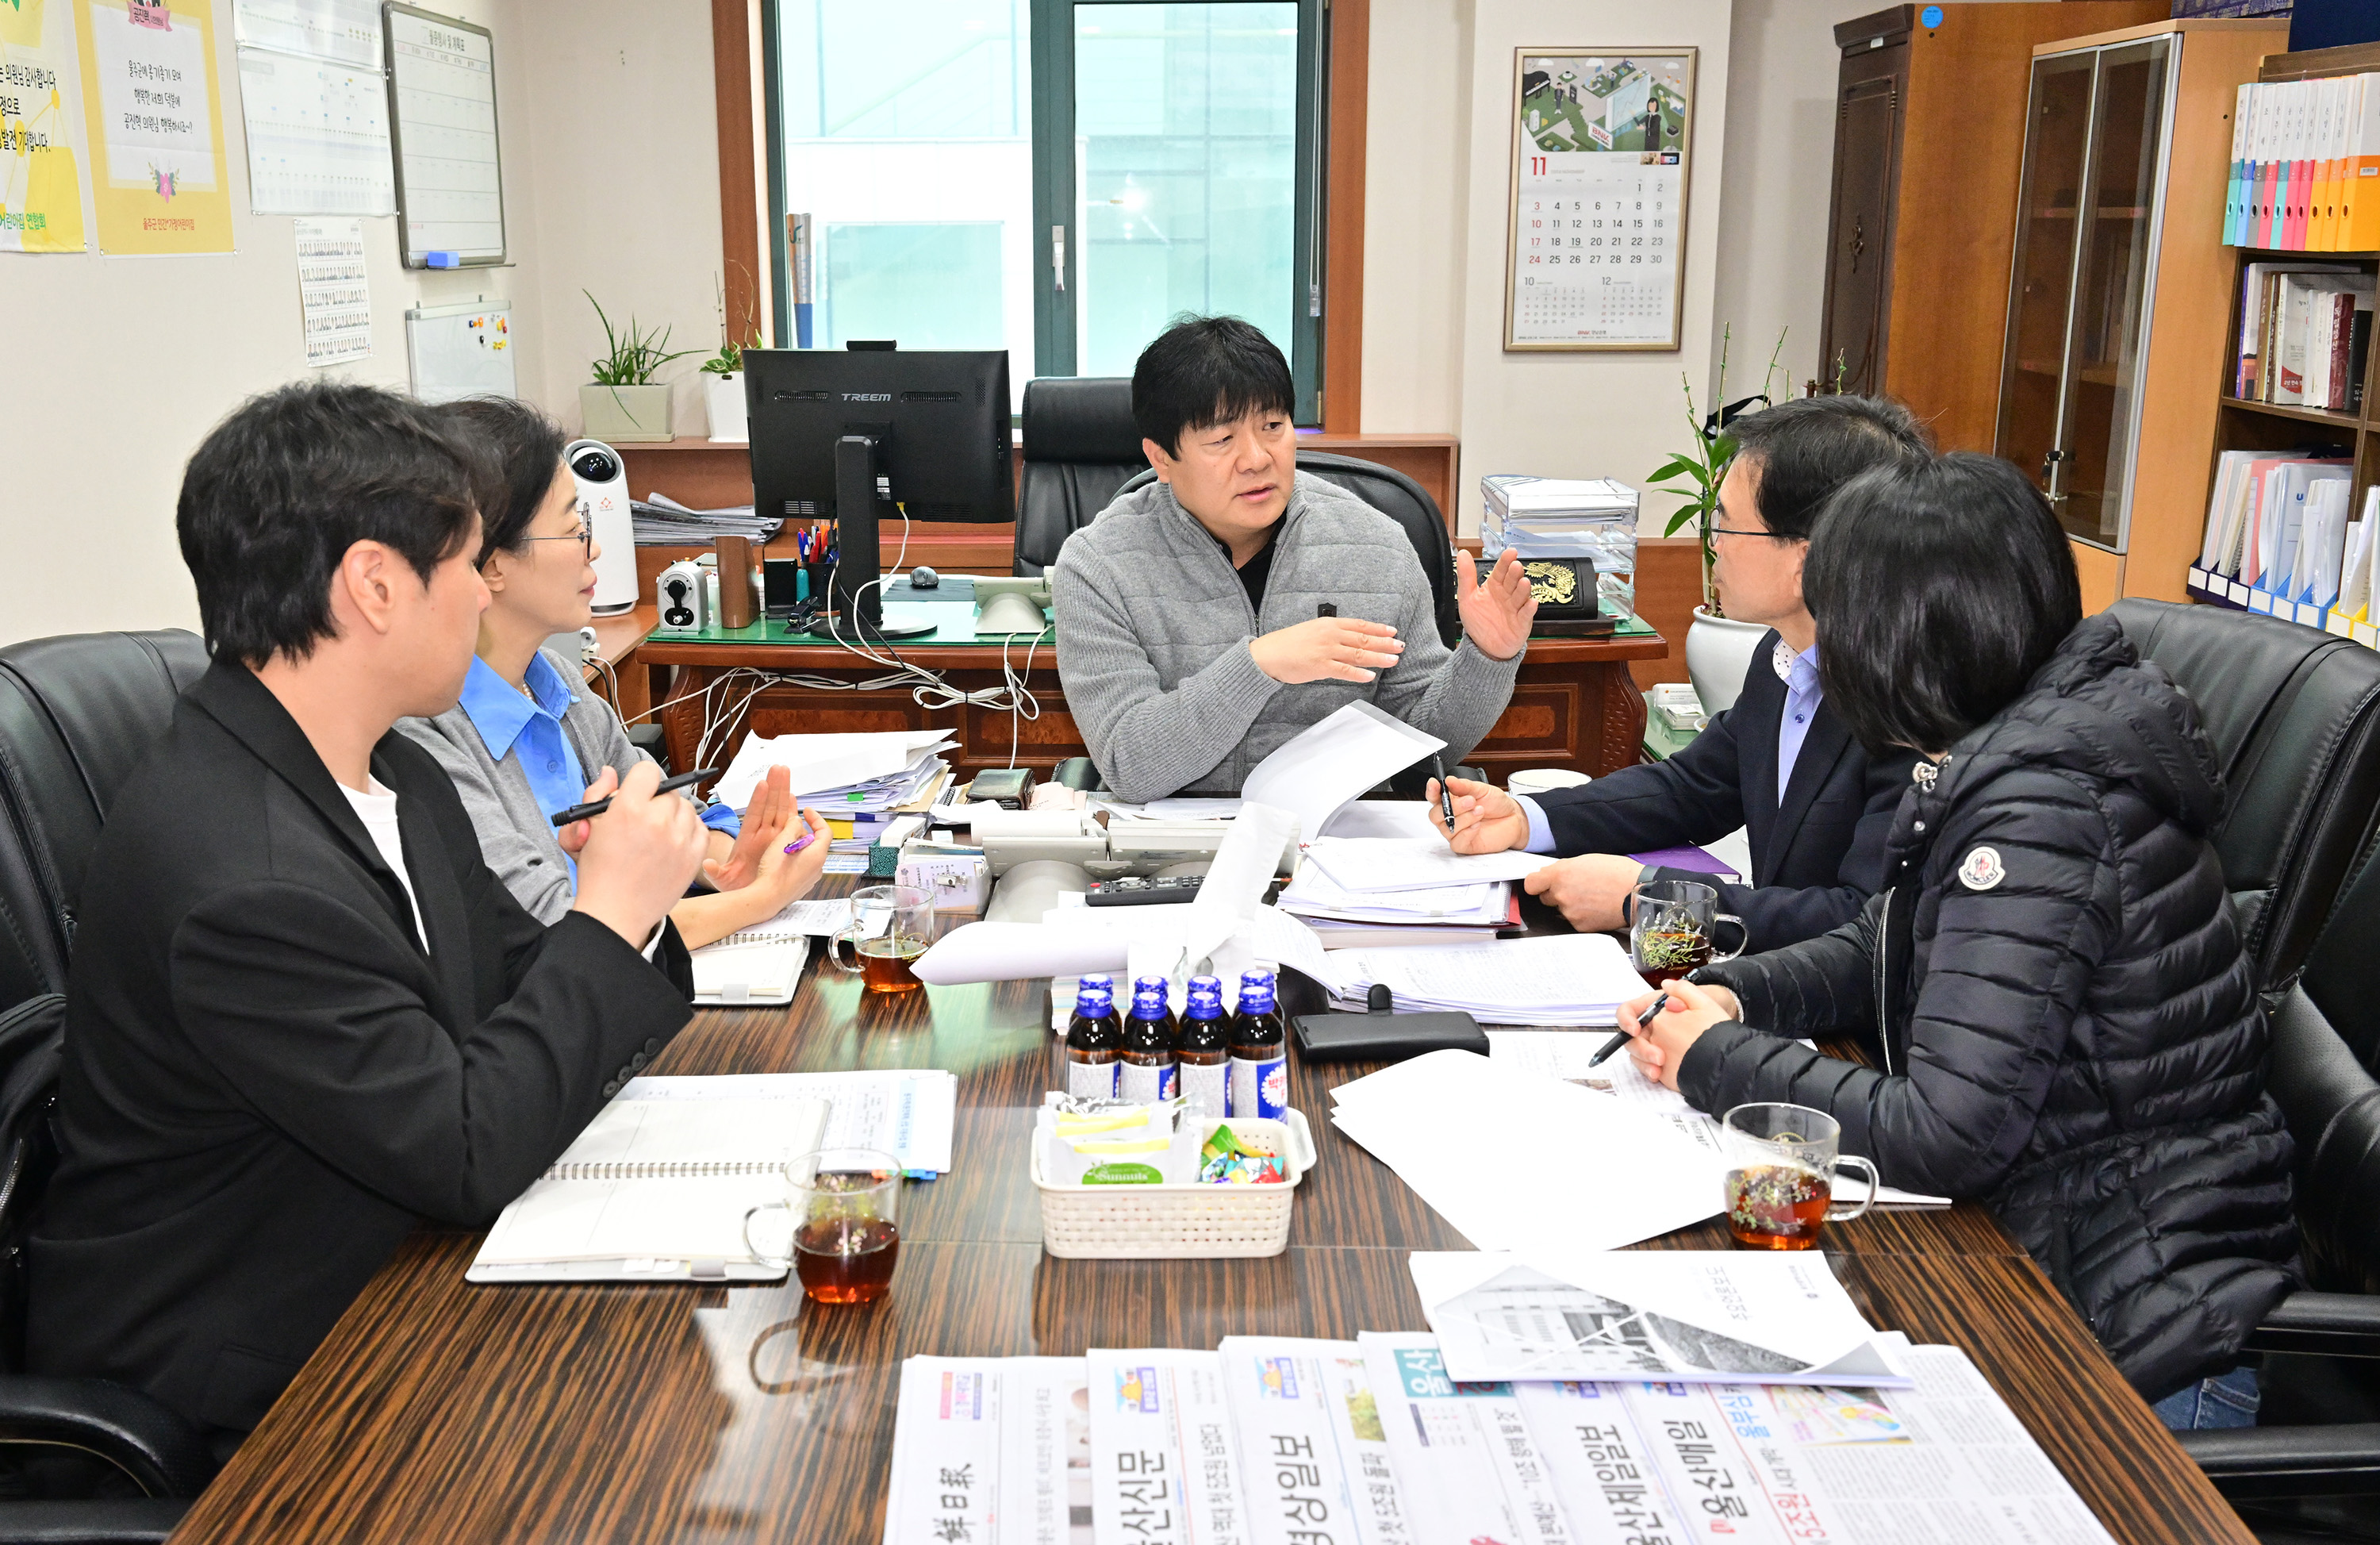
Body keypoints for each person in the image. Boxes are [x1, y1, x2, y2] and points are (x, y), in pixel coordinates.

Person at [28, 381, 706, 1451]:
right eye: (465, 568)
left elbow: (523, 985)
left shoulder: (390, 768)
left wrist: (623, 909)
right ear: (376, 585)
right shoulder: (246, 881)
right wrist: (611, 911)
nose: (483, 602)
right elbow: (468, 1149)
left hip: (396, 1274)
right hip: (253, 1380)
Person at [1617, 452, 2298, 1420]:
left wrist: (1716, 1062)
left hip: (2136, 1326)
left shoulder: (2042, 810)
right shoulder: (2009, 750)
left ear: (1899, 638)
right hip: (2056, 1248)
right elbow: (1880, 941)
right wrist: (1737, 996)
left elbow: (1945, 1134)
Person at [1431, 395, 1930, 951]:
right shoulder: (1784, 656)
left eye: (1729, 526)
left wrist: (1646, 896)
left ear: (1807, 560)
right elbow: (1693, 788)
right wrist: (1528, 819)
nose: (1713, 545)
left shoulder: (1912, 707)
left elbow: (1864, 922)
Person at [397, 397, 829, 947]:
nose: (595, 548)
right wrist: (761, 899)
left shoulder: (556, 678)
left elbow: (675, 808)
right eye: (574, 529)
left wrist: (726, 861)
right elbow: (555, 930)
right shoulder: (428, 734)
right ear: (493, 562)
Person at [1053, 315, 1538, 804]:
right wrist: (1259, 665)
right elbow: (1130, 766)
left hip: (1342, 841)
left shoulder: (1376, 544)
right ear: (1160, 458)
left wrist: (1489, 658)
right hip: (1174, 844)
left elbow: (1422, 744)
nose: (1257, 458)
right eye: (1222, 440)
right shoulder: (1098, 565)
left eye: (1273, 426)